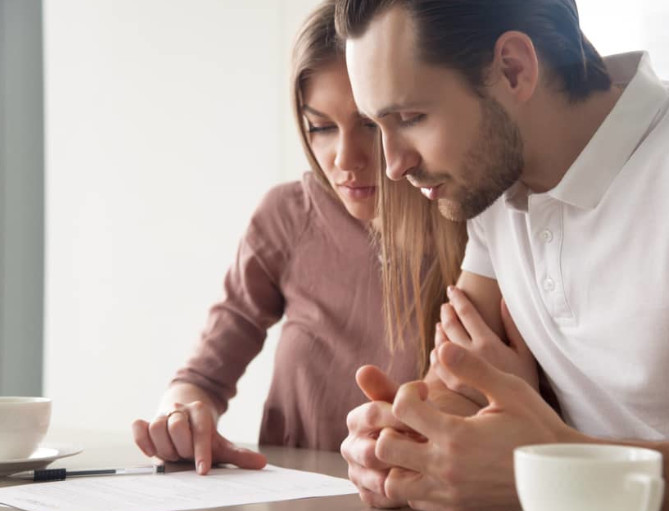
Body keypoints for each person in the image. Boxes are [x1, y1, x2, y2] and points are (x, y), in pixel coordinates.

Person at [334, 0, 669, 511]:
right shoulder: (494, 188)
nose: (393, 165)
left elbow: (534, 454)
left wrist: (560, 464)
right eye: (379, 126)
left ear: (514, 68)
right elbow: (455, 392)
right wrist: (407, 448)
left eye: (411, 118)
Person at [131, 0, 464, 475]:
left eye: (368, 125)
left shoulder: (473, 226)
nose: (345, 159)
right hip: (294, 506)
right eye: (321, 128)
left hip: (418, 504)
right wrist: (182, 413)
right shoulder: (287, 215)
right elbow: (202, 376)